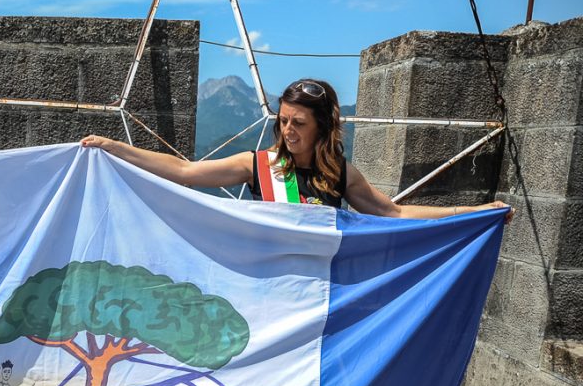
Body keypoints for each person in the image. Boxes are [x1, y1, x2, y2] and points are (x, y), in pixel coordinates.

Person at [82, 78, 513, 221]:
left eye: (298, 123)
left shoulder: (343, 174)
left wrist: (474, 213)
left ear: (323, 126)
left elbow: (393, 213)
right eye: (283, 121)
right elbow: (185, 172)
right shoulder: (258, 166)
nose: (287, 131)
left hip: (316, 296)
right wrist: (115, 146)